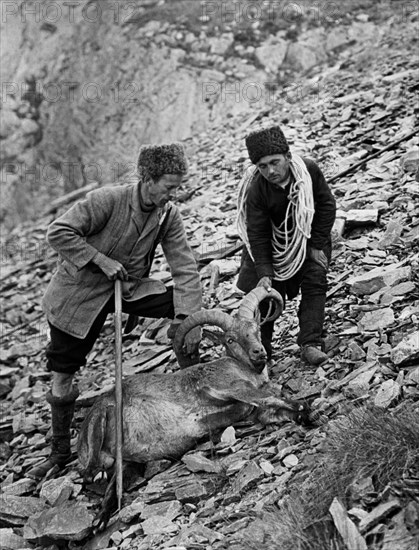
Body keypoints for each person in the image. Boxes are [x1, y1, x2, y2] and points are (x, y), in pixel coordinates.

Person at [28, 143, 202, 479]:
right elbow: (58, 232)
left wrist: (189, 321)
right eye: (169, 186)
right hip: (78, 297)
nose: (174, 194)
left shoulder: (168, 215)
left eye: (178, 187)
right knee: (63, 373)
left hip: (128, 289)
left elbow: (185, 268)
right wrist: (99, 259)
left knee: (182, 308)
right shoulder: (107, 200)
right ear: (146, 178)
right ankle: (59, 452)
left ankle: (193, 402)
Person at [236, 125, 336, 366]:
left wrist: (315, 245)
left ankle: (310, 343)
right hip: (269, 249)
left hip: (308, 238)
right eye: (262, 166)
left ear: (288, 157)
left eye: (275, 162)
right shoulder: (257, 189)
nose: (271, 171)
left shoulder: (308, 170)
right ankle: (262, 353)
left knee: (315, 279)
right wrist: (265, 273)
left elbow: (326, 206)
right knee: (265, 295)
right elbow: (257, 233)